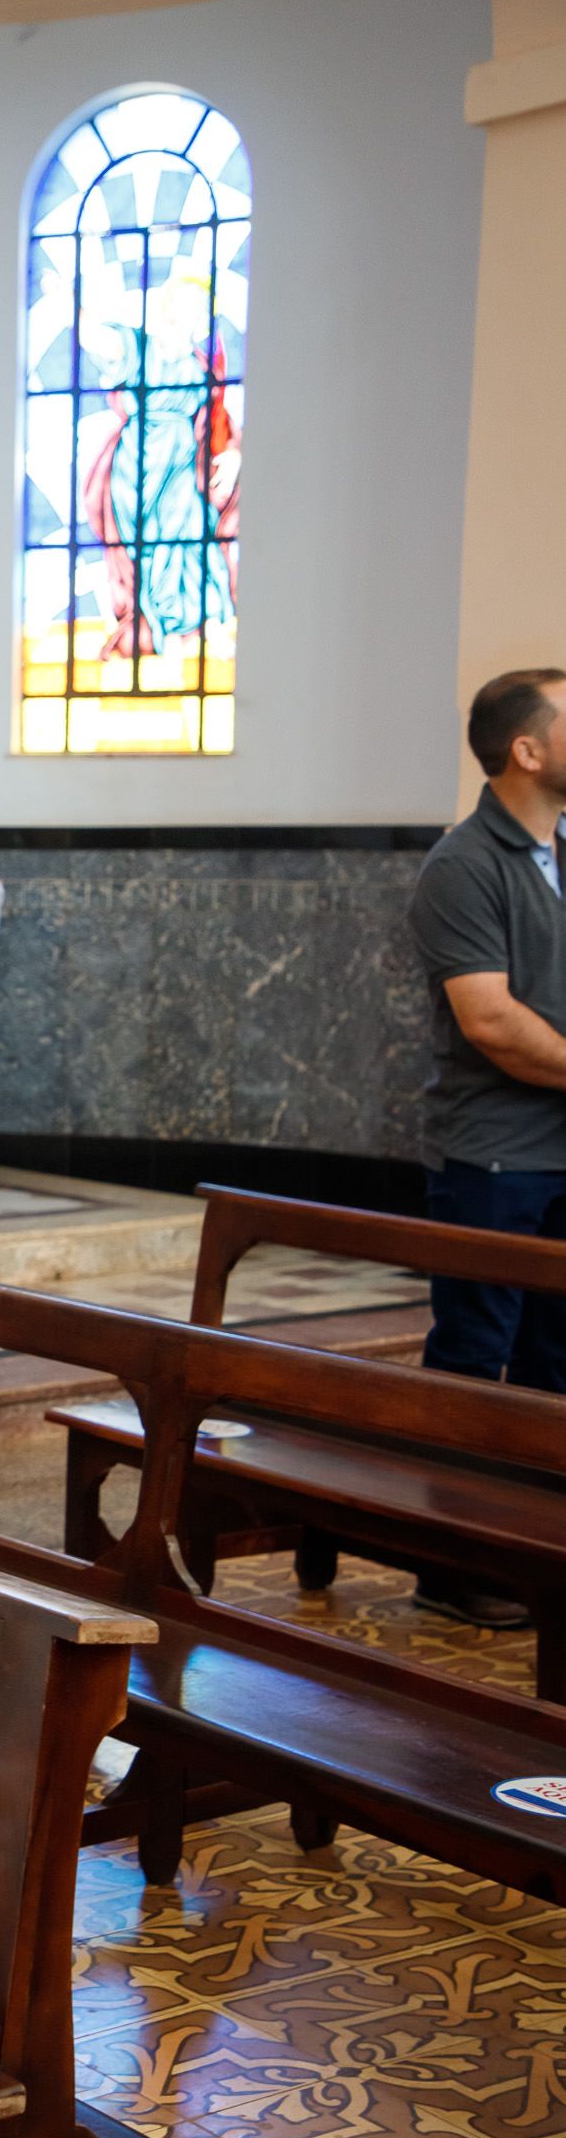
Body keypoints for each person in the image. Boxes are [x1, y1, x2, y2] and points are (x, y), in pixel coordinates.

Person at [407, 665, 566, 1626]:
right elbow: (491, 1021)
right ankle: (451, 1559)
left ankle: (537, 1551)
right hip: (496, 1155)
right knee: (476, 1358)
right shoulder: (464, 863)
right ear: (527, 749)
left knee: (557, 1363)